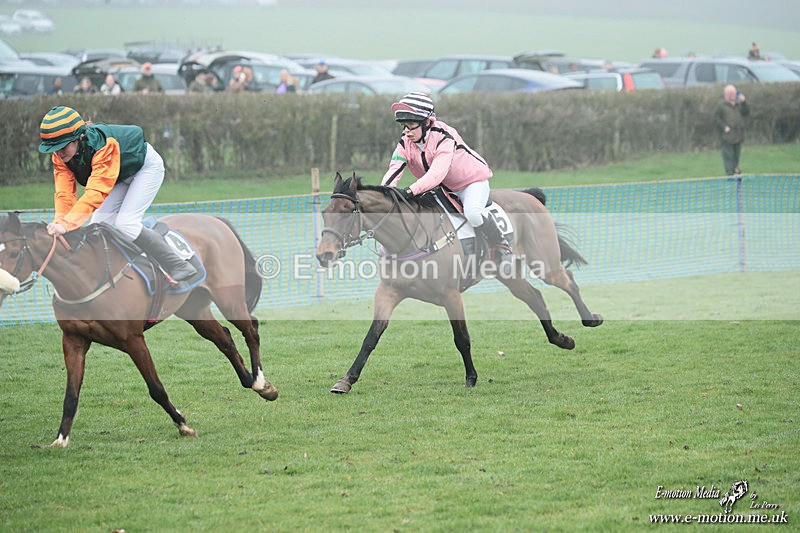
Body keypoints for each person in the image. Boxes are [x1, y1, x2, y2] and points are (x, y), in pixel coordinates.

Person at [37, 106, 197, 282]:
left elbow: (96, 192)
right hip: (118, 176)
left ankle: (178, 264)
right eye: (54, 148)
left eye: (62, 147)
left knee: (126, 223)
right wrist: (60, 221)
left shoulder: (103, 146)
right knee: (97, 227)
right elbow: (64, 194)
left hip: (145, 168)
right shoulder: (60, 157)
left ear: (79, 138)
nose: (59, 153)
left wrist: (68, 224)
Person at [380, 92, 514, 277]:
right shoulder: (405, 142)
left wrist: (410, 190)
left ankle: (502, 247)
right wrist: (384, 193)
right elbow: (394, 169)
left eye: (411, 126)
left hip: (471, 184)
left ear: (427, 123)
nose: (406, 131)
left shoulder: (445, 136)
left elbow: (437, 173)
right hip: (442, 188)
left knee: (473, 213)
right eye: (404, 126)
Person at [712, 84, 750, 176]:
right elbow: (715, 119)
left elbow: (746, 112)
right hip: (727, 136)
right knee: (728, 156)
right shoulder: (721, 106)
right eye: (730, 93)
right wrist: (724, 126)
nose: (732, 95)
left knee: (736, 156)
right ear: (726, 95)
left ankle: (735, 171)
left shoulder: (738, 105)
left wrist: (744, 102)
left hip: (738, 135)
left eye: (733, 93)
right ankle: (730, 174)